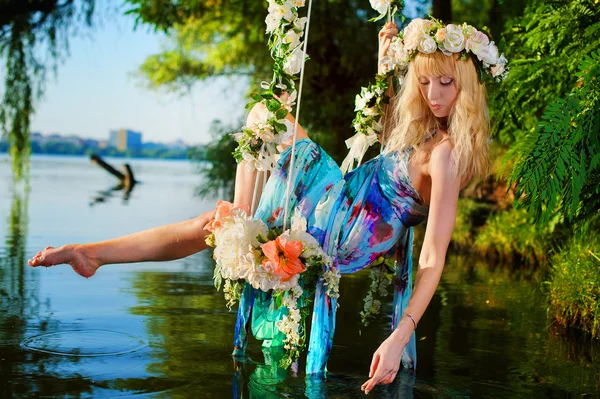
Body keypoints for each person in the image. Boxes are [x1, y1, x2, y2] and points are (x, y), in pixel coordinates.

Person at [28, 18, 495, 394]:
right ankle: (106, 250)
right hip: (340, 195)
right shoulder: (429, 136)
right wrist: (385, 61)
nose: (433, 94)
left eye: (446, 84)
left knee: (252, 146)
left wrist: (398, 336)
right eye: (426, 82)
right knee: (246, 154)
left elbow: (433, 257)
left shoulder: (448, 154)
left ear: (468, 87)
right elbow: (387, 138)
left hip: (343, 223)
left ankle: (227, 225)